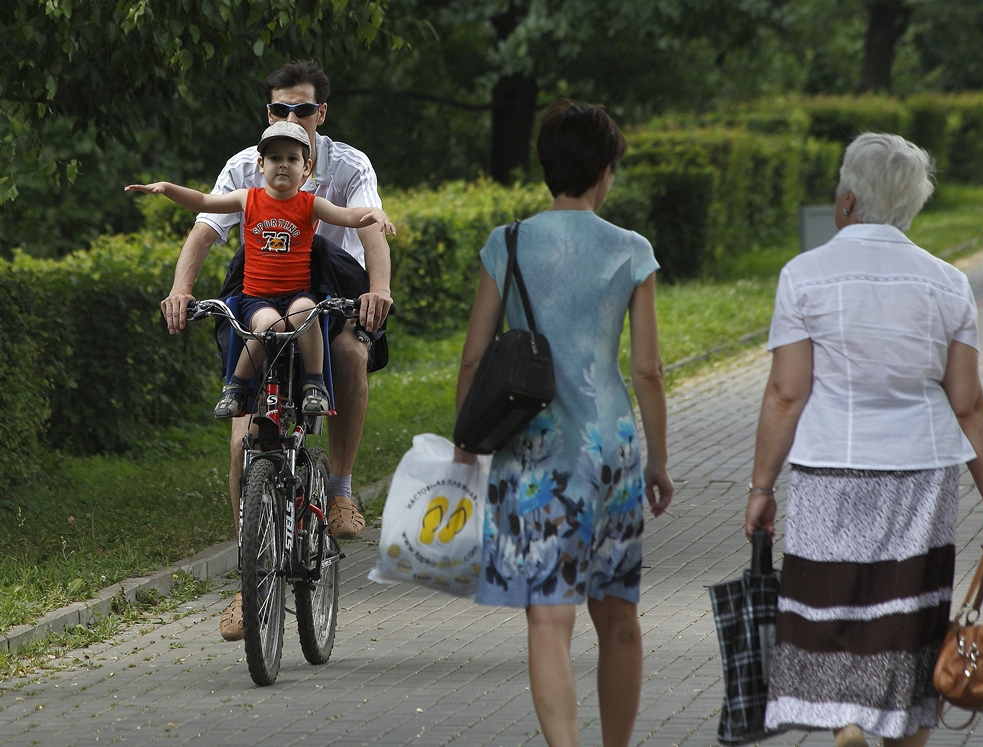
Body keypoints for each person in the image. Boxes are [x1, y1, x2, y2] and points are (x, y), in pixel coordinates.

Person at [745, 133, 983, 747]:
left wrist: (761, 487)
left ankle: (846, 722)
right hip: (920, 472)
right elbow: (968, 405)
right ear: (912, 207)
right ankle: (895, 728)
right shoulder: (947, 284)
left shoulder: (804, 276)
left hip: (827, 470)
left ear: (847, 199)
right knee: (905, 616)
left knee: (834, 606)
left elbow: (786, 395)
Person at [454, 100, 675, 747]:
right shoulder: (632, 250)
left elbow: (474, 354)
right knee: (620, 618)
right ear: (606, 171)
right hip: (611, 449)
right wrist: (659, 461)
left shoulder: (509, 242)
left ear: (547, 167)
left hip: (535, 454)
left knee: (549, 621)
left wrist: (466, 441)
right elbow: (649, 370)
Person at [159, 59, 393, 642]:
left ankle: (338, 491)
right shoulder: (248, 165)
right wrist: (181, 291)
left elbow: (368, 232)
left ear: (322, 114)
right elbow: (203, 231)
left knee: (349, 356)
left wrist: (379, 290)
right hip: (261, 291)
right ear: (267, 117)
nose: (292, 119)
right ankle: (250, 580)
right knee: (243, 435)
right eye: (280, 110)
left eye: (303, 109)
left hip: (330, 288)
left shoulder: (348, 165)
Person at [126, 121, 395, 418]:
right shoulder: (247, 198)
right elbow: (203, 200)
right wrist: (166, 188)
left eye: (292, 159)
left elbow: (348, 216)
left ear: (306, 168)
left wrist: (374, 213)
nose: (283, 165)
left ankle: (314, 385)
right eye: (275, 158)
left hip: (297, 295)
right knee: (270, 326)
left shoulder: (311, 204)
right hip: (258, 299)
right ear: (261, 164)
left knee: (308, 311)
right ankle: (237, 387)